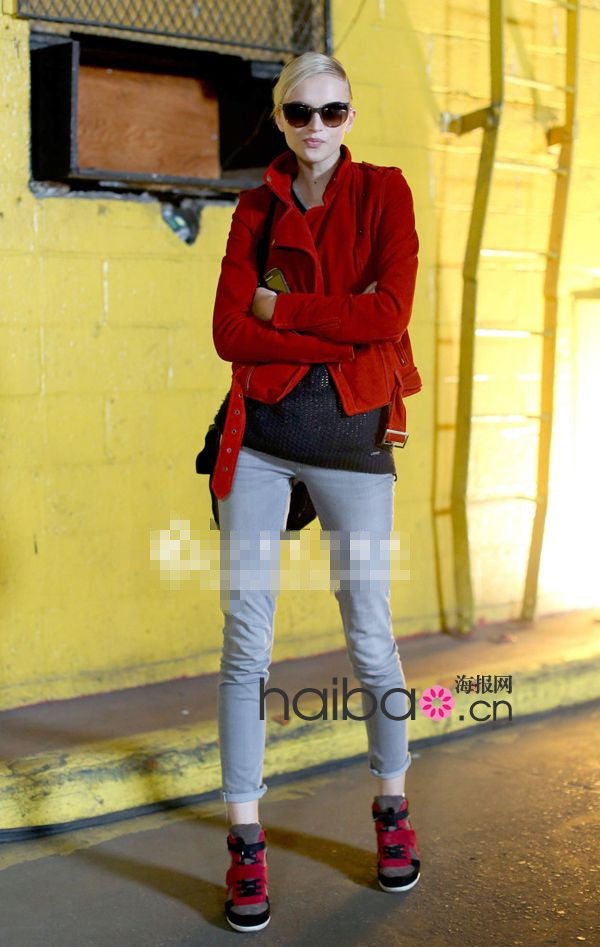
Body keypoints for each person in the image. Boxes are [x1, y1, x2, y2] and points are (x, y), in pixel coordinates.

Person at [211, 51, 423, 933]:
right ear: (280, 118)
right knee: (245, 641)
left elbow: (391, 314)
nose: (316, 127)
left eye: (332, 111)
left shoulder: (384, 193)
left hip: (352, 445)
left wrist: (284, 311)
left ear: (351, 116)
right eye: (300, 112)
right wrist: (340, 328)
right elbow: (229, 332)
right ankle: (245, 840)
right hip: (260, 444)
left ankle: (393, 807)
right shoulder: (256, 209)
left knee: (370, 633)